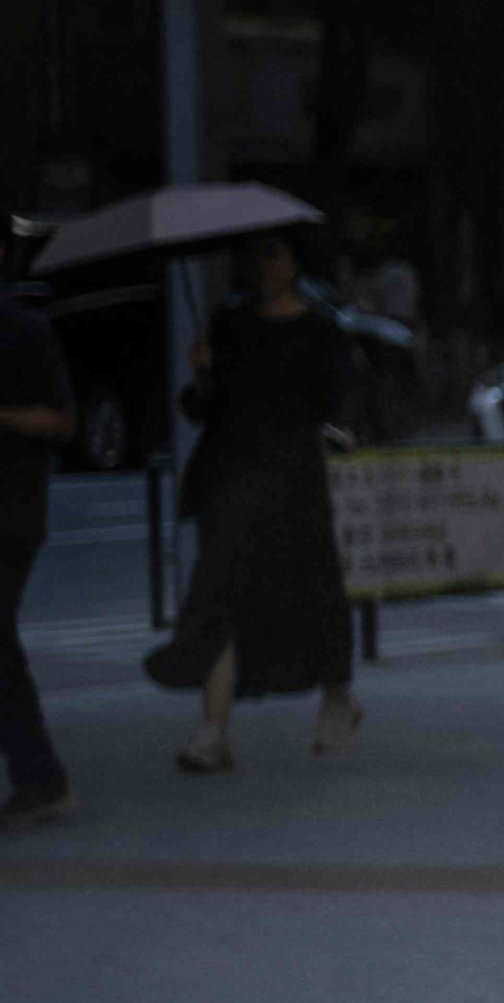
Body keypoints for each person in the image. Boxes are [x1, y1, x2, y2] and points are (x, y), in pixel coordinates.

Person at [142, 232, 358, 773]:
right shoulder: (230, 323)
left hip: (292, 479)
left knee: (314, 588)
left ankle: (338, 695)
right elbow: (204, 409)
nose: (263, 267)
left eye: (274, 254)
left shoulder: (319, 328)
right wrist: (203, 371)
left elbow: (333, 402)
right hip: (232, 476)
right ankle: (213, 732)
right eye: (255, 255)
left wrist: (338, 430)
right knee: (219, 592)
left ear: (293, 261)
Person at [0, 276, 71, 824]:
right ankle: (38, 774)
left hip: (11, 510)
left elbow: (61, 419)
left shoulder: (24, 329)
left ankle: (39, 774)